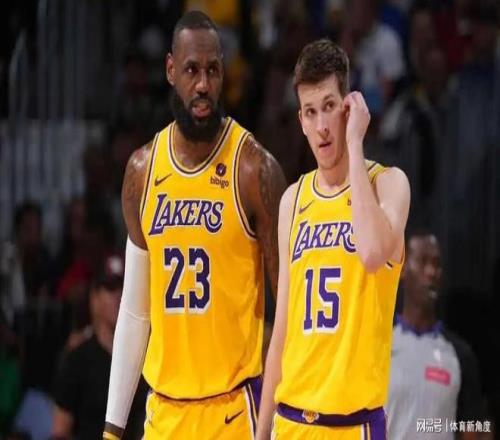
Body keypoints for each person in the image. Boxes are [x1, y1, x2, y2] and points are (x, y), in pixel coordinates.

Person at [103, 10, 286, 440]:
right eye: (191, 70)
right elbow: (135, 310)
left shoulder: (254, 170)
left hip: (234, 411)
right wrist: (112, 428)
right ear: (170, 70)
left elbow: (288, 310)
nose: (203, 84)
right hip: (163, 413)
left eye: (212, 71)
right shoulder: (142, 171)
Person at [256, 39, 410, 439]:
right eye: (310, 112)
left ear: (349, 107)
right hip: (290, 421)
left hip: (353, 425)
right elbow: (282, 330)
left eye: (329, 106)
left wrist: (355, 144)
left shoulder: (388, 184)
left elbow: (372, 253)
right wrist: (261, 431)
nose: (322, 126)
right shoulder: (293, 200)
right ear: (301, 121)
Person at [386, 231, 485, 440]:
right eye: (422, 262)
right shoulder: (379, 345)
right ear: (402, 268)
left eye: (437, 264)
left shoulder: (460, 355)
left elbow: (473, 428)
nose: (431, 272)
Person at [53, 254, 147, 440]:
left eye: (124, 288)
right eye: (110, 288)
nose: (119, 296)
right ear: (94, 298)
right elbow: (60, 431)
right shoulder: (77, 360)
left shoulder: (145, 358)